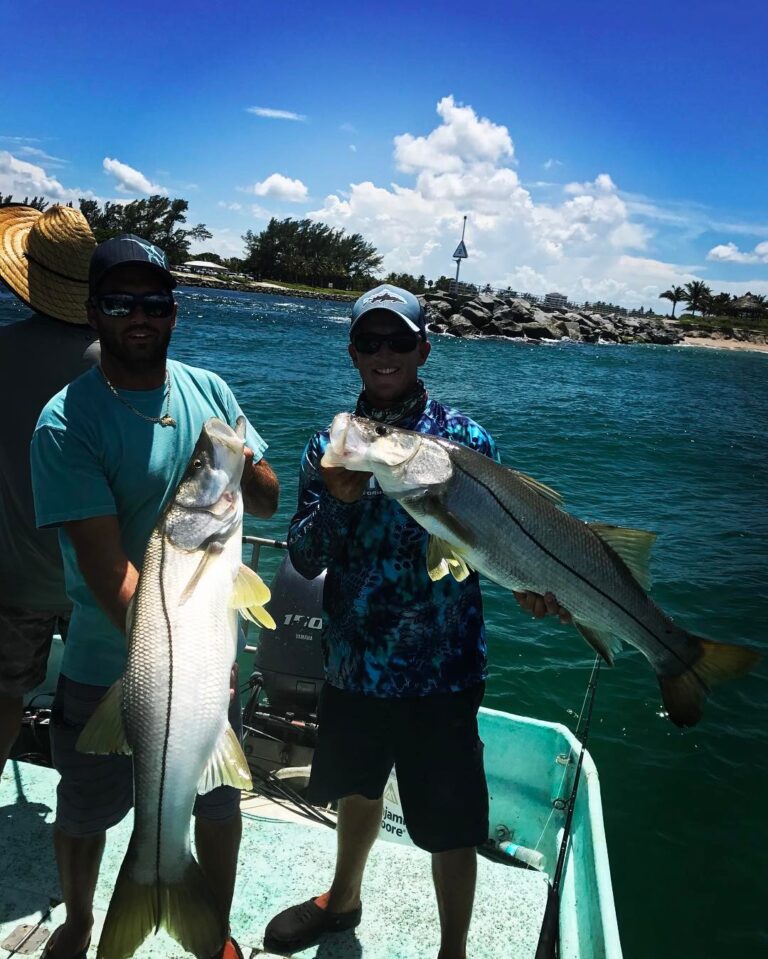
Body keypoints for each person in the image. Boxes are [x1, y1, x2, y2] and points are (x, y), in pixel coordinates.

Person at [264, 284, 569, 959]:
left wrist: (530, 583)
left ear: (423, 348)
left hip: (444, 668)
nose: (384, 353)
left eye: (398, 340)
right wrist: (338, 499)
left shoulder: (467, 439)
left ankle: (453, 949)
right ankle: (341, 901)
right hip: (354, 662)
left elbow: (497, 541)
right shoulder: (330, 442)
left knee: (452, 825)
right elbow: (306, 556)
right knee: (356, 791)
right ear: (352, 351)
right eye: (369, 341)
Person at [30, 234, 280, 959]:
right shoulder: (65, 422)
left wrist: (237, 459)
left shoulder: (211, 392)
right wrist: (196, 656)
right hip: (106, 658)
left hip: (202, 661)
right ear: (92, 313)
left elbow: (262, 502)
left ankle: (212, 926)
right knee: (83, 808)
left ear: (174, 312)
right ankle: (82, 922)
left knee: (219, 801)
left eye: (155, 302)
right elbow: (111, 576)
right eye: (119, 301)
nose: (139, 315)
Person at [0, 204, 100, 779]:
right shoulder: (116, 366)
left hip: (15, 577)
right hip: (98, 575)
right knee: (92, 711)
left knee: (4, 701)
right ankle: (85, 815)